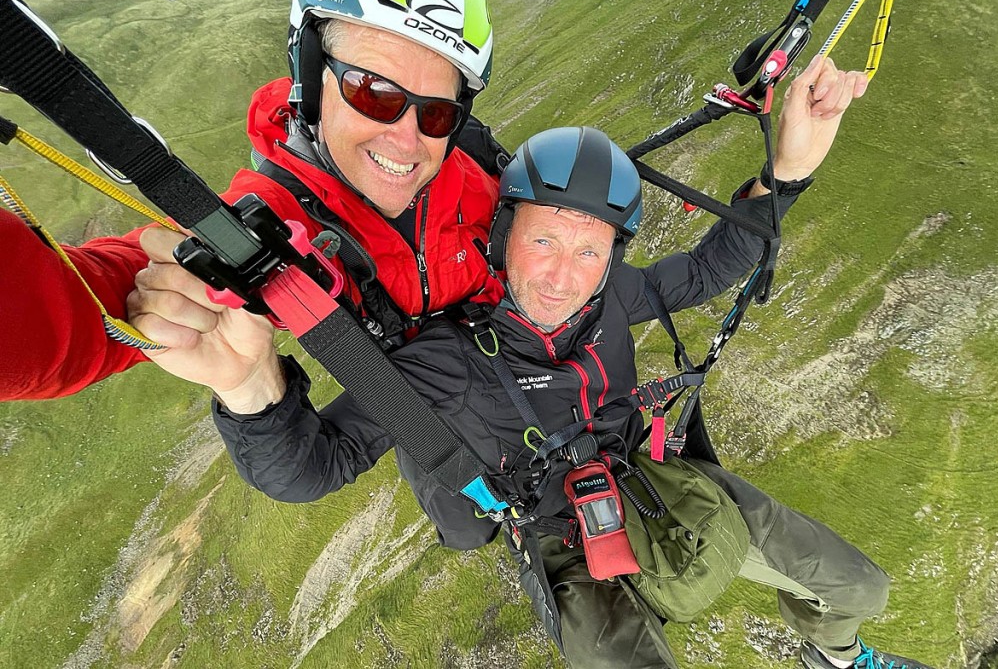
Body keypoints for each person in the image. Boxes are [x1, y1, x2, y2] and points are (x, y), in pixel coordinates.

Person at [138, 58, 933, 669]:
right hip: (553, 536)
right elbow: (311, 469)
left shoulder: (614, 296)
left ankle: (832, 653)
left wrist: (787, 173)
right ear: (501, 237)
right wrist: (247, 387)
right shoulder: (439, 362)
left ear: (612, 255)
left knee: (861, 587)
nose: (562, 274)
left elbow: (715, 265)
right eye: (543, 241)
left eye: (589, 248)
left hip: (645, 479)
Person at [0, 0, 506, 401]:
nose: (407, 139)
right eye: (374, 92)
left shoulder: (476, 167)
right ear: (310, 74)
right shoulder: (274, 224)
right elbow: (53, 326)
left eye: (436, 112)